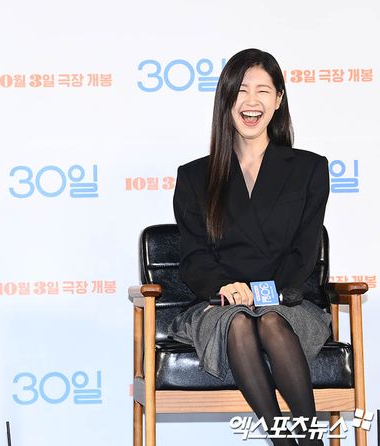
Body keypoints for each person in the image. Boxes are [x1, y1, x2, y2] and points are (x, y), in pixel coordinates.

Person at [168, 48, 331, 446]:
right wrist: (224, 287)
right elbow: (193, 256)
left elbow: (305, 250)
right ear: (226, 99)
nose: (251, 101)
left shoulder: (310, 168)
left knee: (270, 320)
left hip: (286, 301)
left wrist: (265, 293)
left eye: (263, 90)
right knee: (240, 321)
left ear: (278, 100)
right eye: (241, 90)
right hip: (221, 303)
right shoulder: (194, 176)